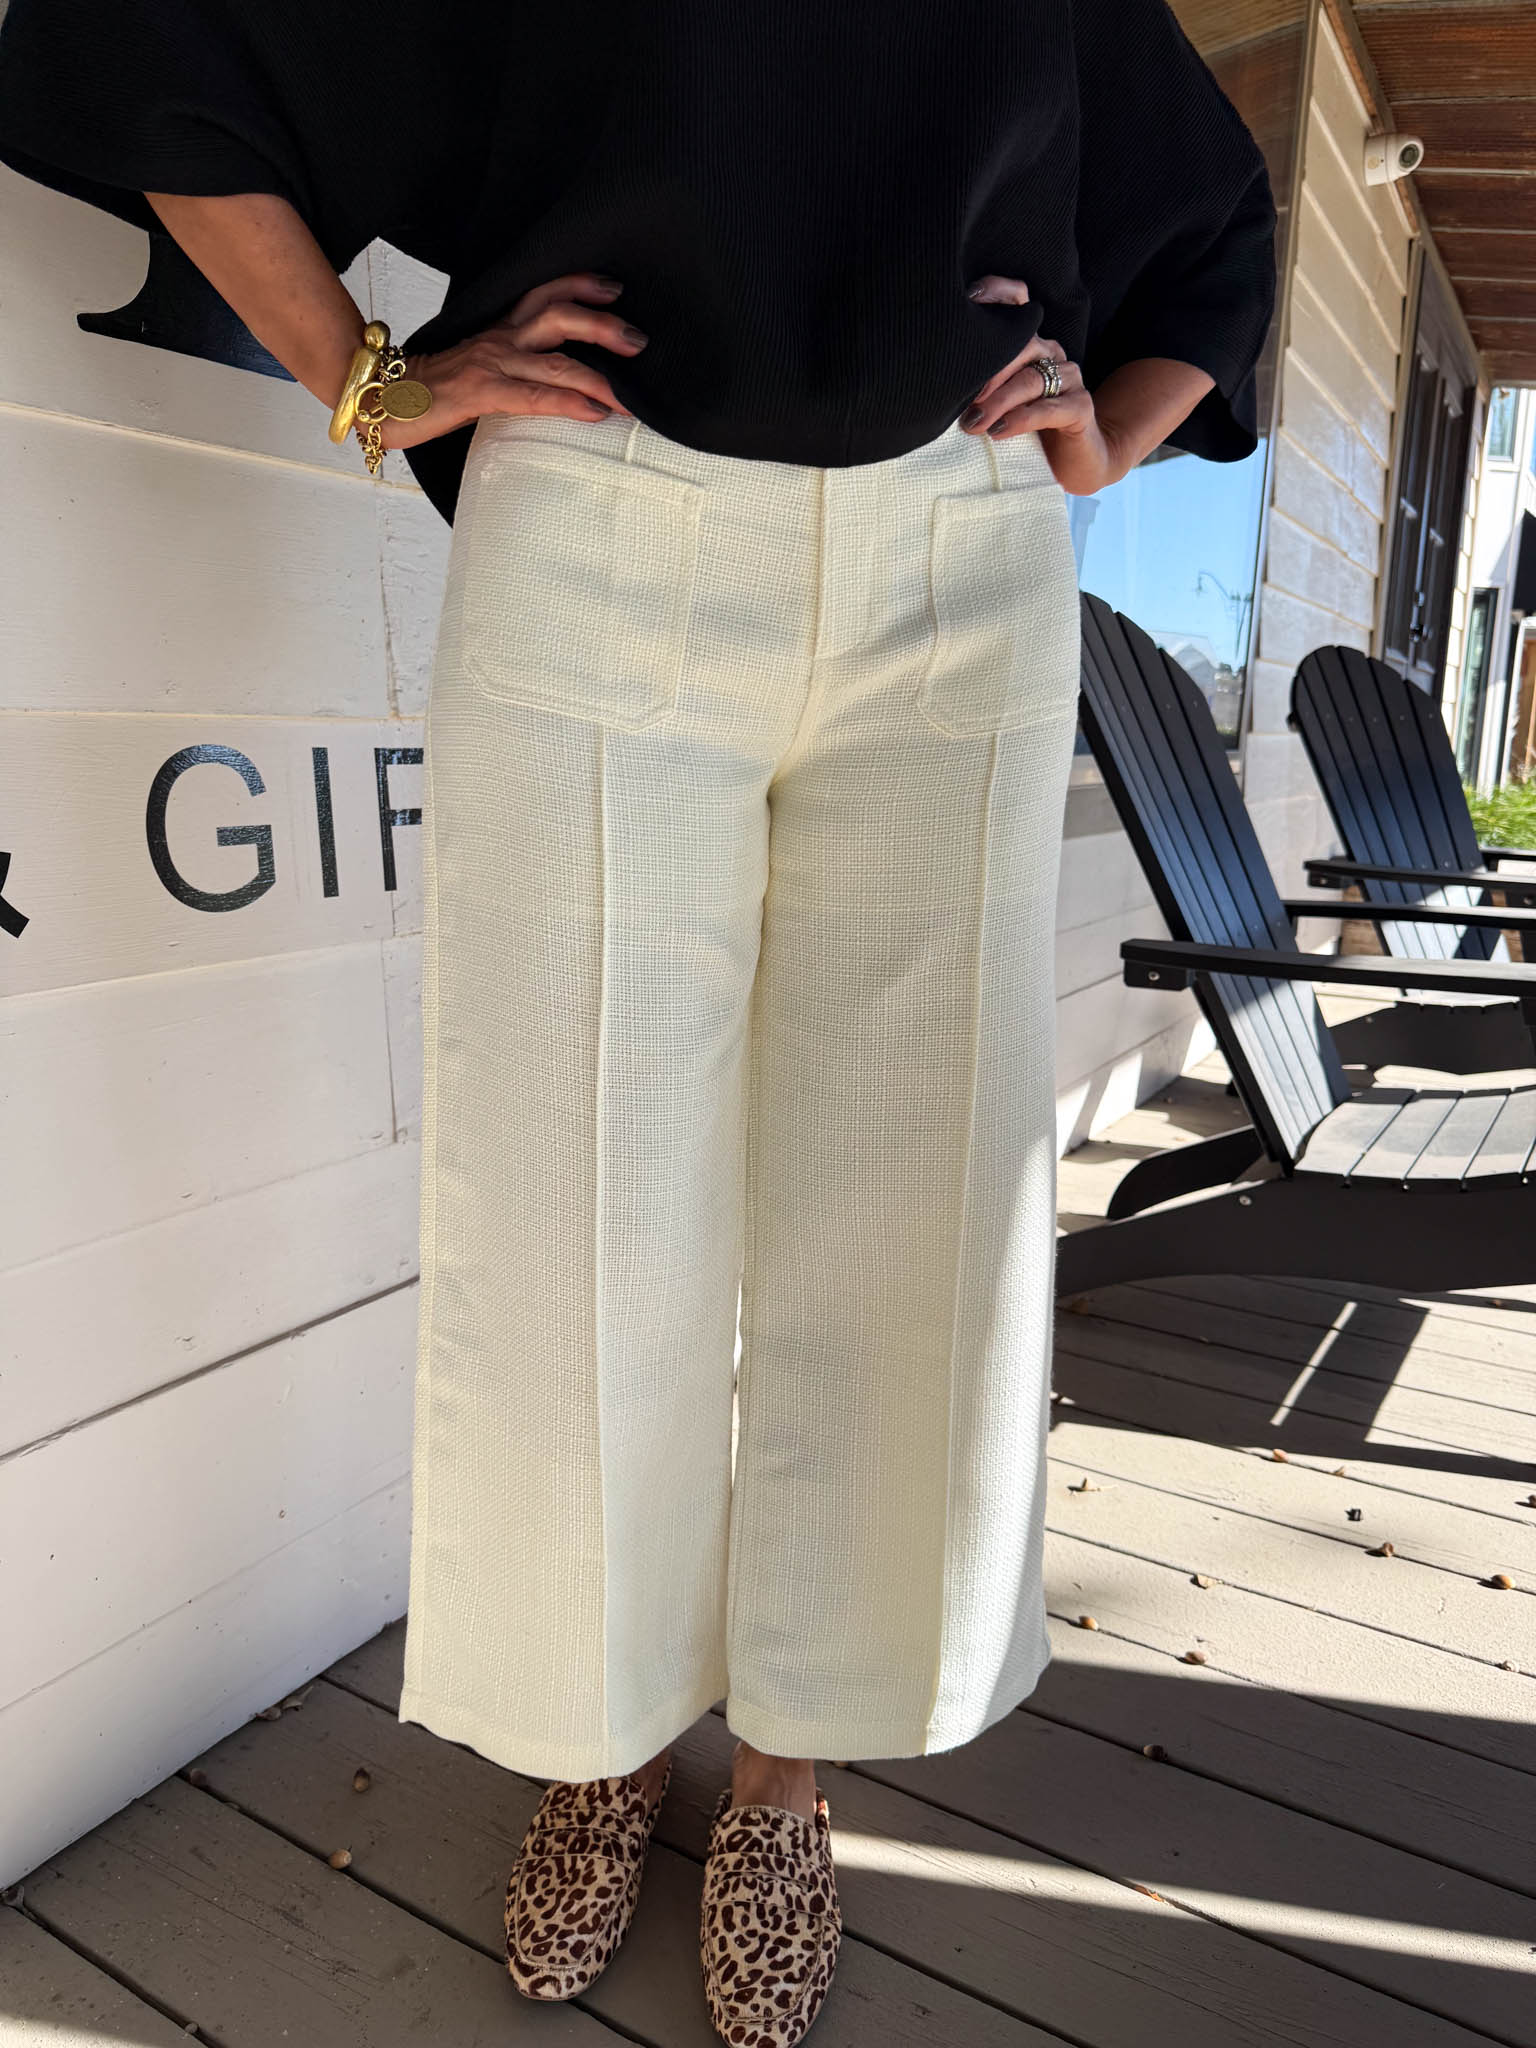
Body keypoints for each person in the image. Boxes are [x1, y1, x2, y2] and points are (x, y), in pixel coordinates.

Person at [0, 2, 1276, 2038]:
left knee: (906, 1195)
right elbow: (153, 40)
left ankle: (789, 1773)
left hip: (956, 553)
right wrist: (370, 380)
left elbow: (1212, 220)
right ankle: (597, 1737)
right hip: (600, 522)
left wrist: (1111, 432)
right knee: (576, 1182)